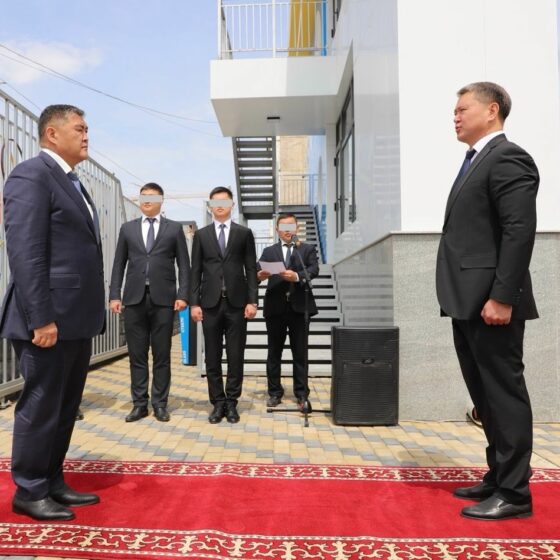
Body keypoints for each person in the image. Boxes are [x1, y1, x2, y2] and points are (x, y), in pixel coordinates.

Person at [436, 82, 539, 520]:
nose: (455, 116)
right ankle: (498, 475)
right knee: (484, 393)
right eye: (455, 110)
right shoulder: (475, 160)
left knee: (503, 394)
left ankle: (515, 493)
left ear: (492, 110)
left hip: (492, 304)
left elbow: (519, 230)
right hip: (467, 302)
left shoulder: (508, 157)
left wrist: (502, 297)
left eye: (463, 109)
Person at [0, 105, 105, 521]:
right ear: (52, 134)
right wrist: (41, 318)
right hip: (46, 319)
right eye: (79, 128)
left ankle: (52, 480)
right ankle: (29, 489)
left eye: (87, 128)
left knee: (64, 405)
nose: (86, 135)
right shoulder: (31, 175)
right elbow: (25, 252)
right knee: (42, 404)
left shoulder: (73, 181)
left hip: (74, 318)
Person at [109, 183, 190, 423]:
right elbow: (118, 263)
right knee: (137, 355)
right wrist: (115, 295)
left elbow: (184, 265)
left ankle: (160, 404)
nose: (146, 200)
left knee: (162, 355)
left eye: (152, 197)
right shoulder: (128, 229)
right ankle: (139, 404)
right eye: (143, 196)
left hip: (164, 300)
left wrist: (183, 295)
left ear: (161, 200)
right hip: (134, 299)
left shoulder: (174, 229)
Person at [189, 186, 258, 424]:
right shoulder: (202, 235)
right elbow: (195, 271)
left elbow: (251, 268)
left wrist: (253, 301)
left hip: (237, 304)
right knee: (212, 356)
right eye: (215, 202)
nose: (219, 206)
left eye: (224, 202)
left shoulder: (244, 233)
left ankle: (232, 402)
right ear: (210, 206)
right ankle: (217, 402)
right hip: (210, 304)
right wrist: (194, 303)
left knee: (236, 355)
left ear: (232, 205)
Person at [257, 213, 319, 411]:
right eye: (283, 227)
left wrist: (297, 276)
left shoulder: (306, 249)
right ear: (277, 230)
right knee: (274, 353)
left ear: (297, 228)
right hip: (275, 308)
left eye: (290, 226)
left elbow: (314, 269)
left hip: (300, 308)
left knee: (300, 353)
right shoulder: (268, 251)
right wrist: (260, 275)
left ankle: (301, 394)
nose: (287, 230)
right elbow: (256, 272)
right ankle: (274, 393)